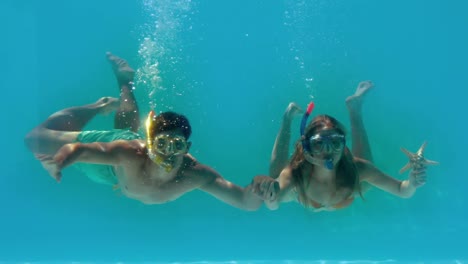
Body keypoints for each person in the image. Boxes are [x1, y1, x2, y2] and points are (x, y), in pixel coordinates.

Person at [24, 52, 276, 210]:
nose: (169, 153)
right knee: (34, 140)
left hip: (122, 169)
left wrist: (257, 188)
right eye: (163, 144)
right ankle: (99, 105)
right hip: (109, 163)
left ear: (187, 149)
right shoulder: (129, 152)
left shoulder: (195, 174)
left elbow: (245, 202)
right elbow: (78, 150)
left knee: (127, 131)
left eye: (176, 145)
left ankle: (124, 82)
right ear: (150, 142)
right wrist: (59, 160)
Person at [251, 81, 438, 211]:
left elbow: (402, 190)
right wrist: (270, 195)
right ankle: (287, 119)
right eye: (318, 144)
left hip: (344, 192)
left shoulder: (358, 168)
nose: (329, 151)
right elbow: (273, 205)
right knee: (275, 174)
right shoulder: (295, 174)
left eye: (335, 142)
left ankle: (355, 110)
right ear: (308, 149)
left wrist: (412, 183)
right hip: (303, 195)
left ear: (342, 143)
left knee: (364, 168)